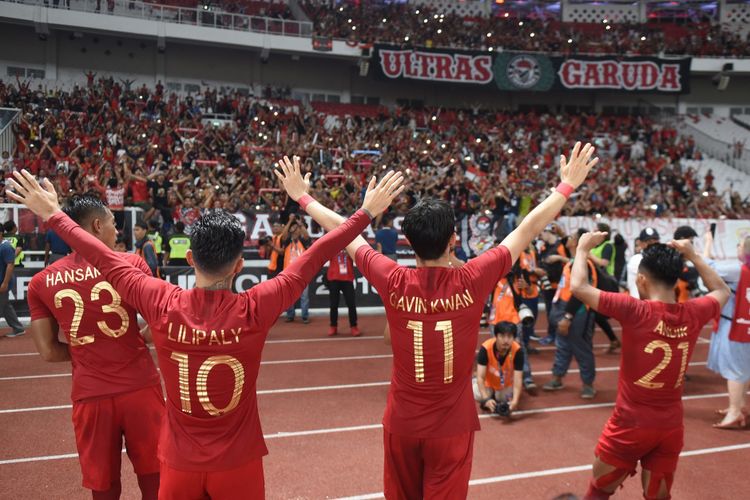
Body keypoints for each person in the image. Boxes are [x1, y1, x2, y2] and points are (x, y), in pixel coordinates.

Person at [8, 167, 404, 500]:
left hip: (179, 465)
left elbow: (101, 258)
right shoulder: (256, 306)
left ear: (190, 257)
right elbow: (318, 253)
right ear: (238, 267)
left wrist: (55, 214)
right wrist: (365, 210)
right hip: (239, 463)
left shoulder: (161, 303)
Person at [278, 141, 597, 498]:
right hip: (451, 426)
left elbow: (344, 232)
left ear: (409, 245)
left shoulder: (392, 277)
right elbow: (527, 228)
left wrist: (304, 198)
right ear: (454, 240)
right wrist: (566, 185)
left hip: (402, 422)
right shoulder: (474, 277)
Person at [572, 232, 729, 500]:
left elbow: (578, 287)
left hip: (629, 425)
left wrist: (582, 249)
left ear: (642, 280)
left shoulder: (635, 310)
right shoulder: (694, 312)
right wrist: (693, 255)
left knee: (597, 493)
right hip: (670, 427)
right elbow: (722, 291)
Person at [25, 195, 163, 499]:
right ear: (98, 225)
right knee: (155, 476)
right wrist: (131, 339)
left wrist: (86, 350)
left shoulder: (41, 281)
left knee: (103, 485)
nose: (117, 231)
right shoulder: (132, 263)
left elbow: (48, 351)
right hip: (140, 385)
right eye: (113, 224)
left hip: (91, 394)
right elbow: (158, 324)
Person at [542, 229, 599, 399]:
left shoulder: (582, 264)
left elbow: (580, 293)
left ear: (578, 242)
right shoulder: (573, 262)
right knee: (563, 345)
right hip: (564, 308)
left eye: (573, 237)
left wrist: (567, 317)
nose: (569, 238)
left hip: (577, 312)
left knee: (581, 348)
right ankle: (558, 377)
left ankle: (588, 384)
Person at [705, 233, 750, 429]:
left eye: (740, 245)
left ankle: (734, 411)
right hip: (744, 323)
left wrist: (708, 242)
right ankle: (739, 405)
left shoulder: (737, 270)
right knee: (743, 368)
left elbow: (707, 266)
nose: (737, 248)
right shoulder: (741, 270)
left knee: (735, 370)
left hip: (735, 325)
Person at [474, 321, 524, 415]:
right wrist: (486, 399)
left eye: (509, 337)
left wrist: (515, 401)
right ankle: (489, 396)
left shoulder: (518, 351)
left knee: (504, 399)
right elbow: (480, 377)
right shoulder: (485, 348)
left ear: (514, 338)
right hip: (488, 382)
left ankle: (495, 397)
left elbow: (518, 379)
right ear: (496, 336)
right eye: (502, 336)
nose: (506, 340)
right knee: (476, 393)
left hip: (505, 384)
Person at [588, 223, 621, 353]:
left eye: (596, 230)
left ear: (602, 233)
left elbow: (604, 263)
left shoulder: (607, 246)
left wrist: (588, 254)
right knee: (595, 314)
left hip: (607, 283)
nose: (593, 232)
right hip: (597, 283)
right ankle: (613, 340)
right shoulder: (595, 247)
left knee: (597, 314)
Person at [538, 224, 568, 346]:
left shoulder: (561, 245)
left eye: (541, 234)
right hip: (547, 284)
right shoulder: (543, 247)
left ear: (548, 231)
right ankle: (551, 335)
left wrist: (558, 258)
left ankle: (558, 335)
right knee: (550, 312)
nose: (540, 237)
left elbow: (570, 261)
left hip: (558, 285)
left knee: (558, 312)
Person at [281, 214, 311, 323]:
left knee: (304, 296)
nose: (296, 230)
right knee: (289, 296)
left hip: (302, 273)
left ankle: (305, 316)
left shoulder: (303, 240)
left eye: (297, 228)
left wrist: (299, 223)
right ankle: (290, 315)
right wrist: (290, 221)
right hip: (289, 273)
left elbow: (307, 235)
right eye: (293, 229)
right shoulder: (287, 240)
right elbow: (283, 236)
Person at [326, 249, 359, 337]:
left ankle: (353, 326)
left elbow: (356, 258)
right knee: (333, 305)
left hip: (347, 278)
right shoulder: (332, 246)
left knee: (351, 304)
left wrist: (349, 251)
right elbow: (324, 254)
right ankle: (333, 326)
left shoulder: (350, 246)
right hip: (334, 278)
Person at [0, 224, 25, 338]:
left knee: (3, 305)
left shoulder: (6, 247)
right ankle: (18, 328)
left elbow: (10, 265)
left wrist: (5, 283)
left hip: (4, 281)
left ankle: (18, 328)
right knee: (5, 306)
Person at [627, 227, 659, 298]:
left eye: (655, 241)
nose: (653, 244)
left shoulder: (658, 258)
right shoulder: (636, 259)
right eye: (649, 241)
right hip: (638, 304)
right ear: (640, 243)